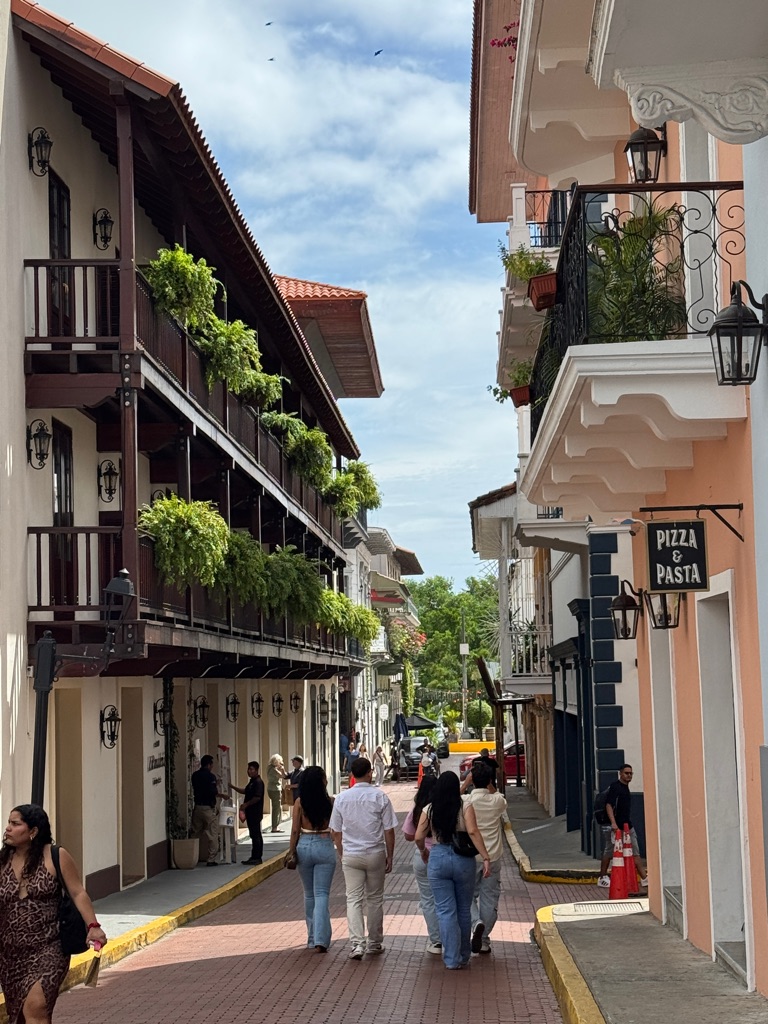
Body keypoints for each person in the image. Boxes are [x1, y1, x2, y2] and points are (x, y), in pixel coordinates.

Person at [0, 804, 108, 1024]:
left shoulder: (56, 855)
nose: (8, 828)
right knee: (19, 1016)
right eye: (9, 823)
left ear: (33, 831)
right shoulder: (2, 861)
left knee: (36, 1007)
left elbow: (77, 892)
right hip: (9, 953)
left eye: (15, 823)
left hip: (49, 947)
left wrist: (93, 926)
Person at [414, 772, 491, 970]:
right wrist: (485, 857)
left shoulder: (429, 808)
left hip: (438, 857)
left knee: (445, 910)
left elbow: (418, 836)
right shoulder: (465, 805)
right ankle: (464, 955)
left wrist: (423, 851)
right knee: (464, 909)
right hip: (463, 859)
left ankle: (451, 959)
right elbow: (472, 831)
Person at [330, 757, 398, 960]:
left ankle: (357, 944)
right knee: (375, 898)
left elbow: (335, 831)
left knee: (353, 899)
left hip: (351, 854)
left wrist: (342, 852)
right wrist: (390, 856)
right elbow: (389, 830)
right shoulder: (380, 797)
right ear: (370, 773)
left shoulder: (342, 798)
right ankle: (374, 942)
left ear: (352, 774)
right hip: (375, 852)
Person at [287, 766, 336, 952]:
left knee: (309, 894)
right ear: (322, 781)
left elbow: (294, 830)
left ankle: (312, 938)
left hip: (305, 844)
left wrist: (292, 851)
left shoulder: (300, 802)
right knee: (322, 893)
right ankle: (321, 939)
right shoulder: (330, 802)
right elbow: (336, 829)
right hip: (324, 844)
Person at [464, 760, 509, 955]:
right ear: (490, 780)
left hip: (471, 855)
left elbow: (453, 798)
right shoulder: (498, 800)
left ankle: (476, 922)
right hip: (493, 856)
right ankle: (483, 940)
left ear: (473, 780)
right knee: (490, 898)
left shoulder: (466, 801)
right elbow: (496, 794)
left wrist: (466, 783)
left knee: (466, 896)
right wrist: (488, 782)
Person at [401, 775, 441, 953]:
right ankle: (450, 937)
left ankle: (436, 941)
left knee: (427, 899)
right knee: (444, 898)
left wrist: (423, 844)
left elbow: (408, 836)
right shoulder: (443, 807)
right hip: (442, 854)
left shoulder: (418, 809)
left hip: (423, 855)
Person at [597, 764, 648, 888]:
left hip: (627, 826)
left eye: (631, 773)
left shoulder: (625, 788)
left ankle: (644, 878)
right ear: (620, 773)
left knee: (635, 851)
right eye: (626, 773)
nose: (629, 775)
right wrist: (613, 823)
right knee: (609, 851)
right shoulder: (616, 787)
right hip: (615, 827)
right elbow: (609, 805)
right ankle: (602, 877)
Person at [191, 754, 229, 865]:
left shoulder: (195, 775)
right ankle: (211, 859)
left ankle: (193, 856)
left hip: (197, 807)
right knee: (213, 833)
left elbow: (200, 788)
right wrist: (222, 795)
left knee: (195, 833)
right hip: (208, 808)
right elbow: (212, 792)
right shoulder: (210, 777)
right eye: (212, 765)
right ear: (209, 765)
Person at [230, 761, 265, 864]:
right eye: (248, 769)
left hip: (255, 812)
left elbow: (257, 797)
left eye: (251, 769)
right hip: (250, 813)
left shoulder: (258, 782)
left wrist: (246, 804)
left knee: (256, 835)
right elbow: (245, 791)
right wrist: (232, 787)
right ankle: (254, 856)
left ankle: (257, 857)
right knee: (253, 834)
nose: (249, 771)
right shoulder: (252, 782)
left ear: (256, 770)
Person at [266, 755, 287, 833]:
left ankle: (275, 825)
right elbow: (283, 776)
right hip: (275, 789)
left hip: (270, 788)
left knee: (276, 807)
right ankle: (275, 827)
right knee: (276, 808)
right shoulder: (274, 770)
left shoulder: (269, 767)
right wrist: (283, 769)